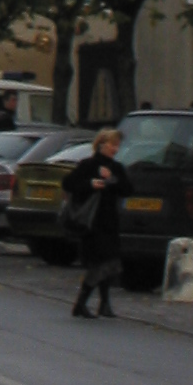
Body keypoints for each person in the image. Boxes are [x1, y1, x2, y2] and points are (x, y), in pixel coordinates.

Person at [65, 126, 129, 318]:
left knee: (109, 262)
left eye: (117, 145)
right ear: (101, 144)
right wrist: (90, 184)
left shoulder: (116, 168)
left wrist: (113, 180)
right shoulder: (87, 165)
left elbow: (128, 189)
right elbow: (68, 184)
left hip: (110, 221)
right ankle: (81, 304)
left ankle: (104, 303)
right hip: (92, 223)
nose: (115, 149)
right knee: (99, 263)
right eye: (112, 144)